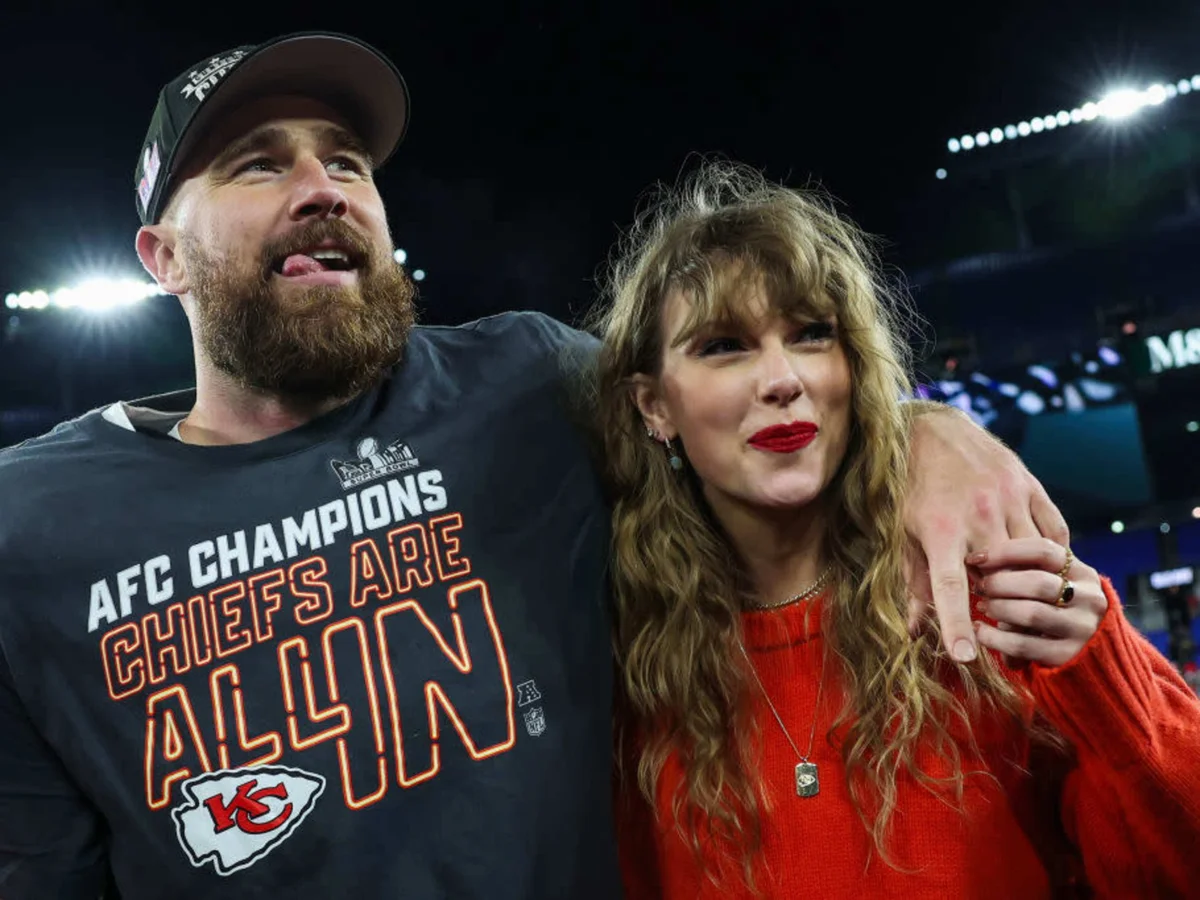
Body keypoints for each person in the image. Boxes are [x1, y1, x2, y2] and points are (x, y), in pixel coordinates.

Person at [0, 33, 1066, 900]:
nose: (324, 187)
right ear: (164, 259)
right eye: (258, 162)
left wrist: (927, 429)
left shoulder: (526, 381)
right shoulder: (32, 526)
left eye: (348, 161)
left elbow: (737, 400)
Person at [594, 161, 1200, 898]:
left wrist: (1106, 683)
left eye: (812, 334)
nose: (782, 379)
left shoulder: (983, 599)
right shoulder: (619, 676)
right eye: (724, 345)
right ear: (654, 406)